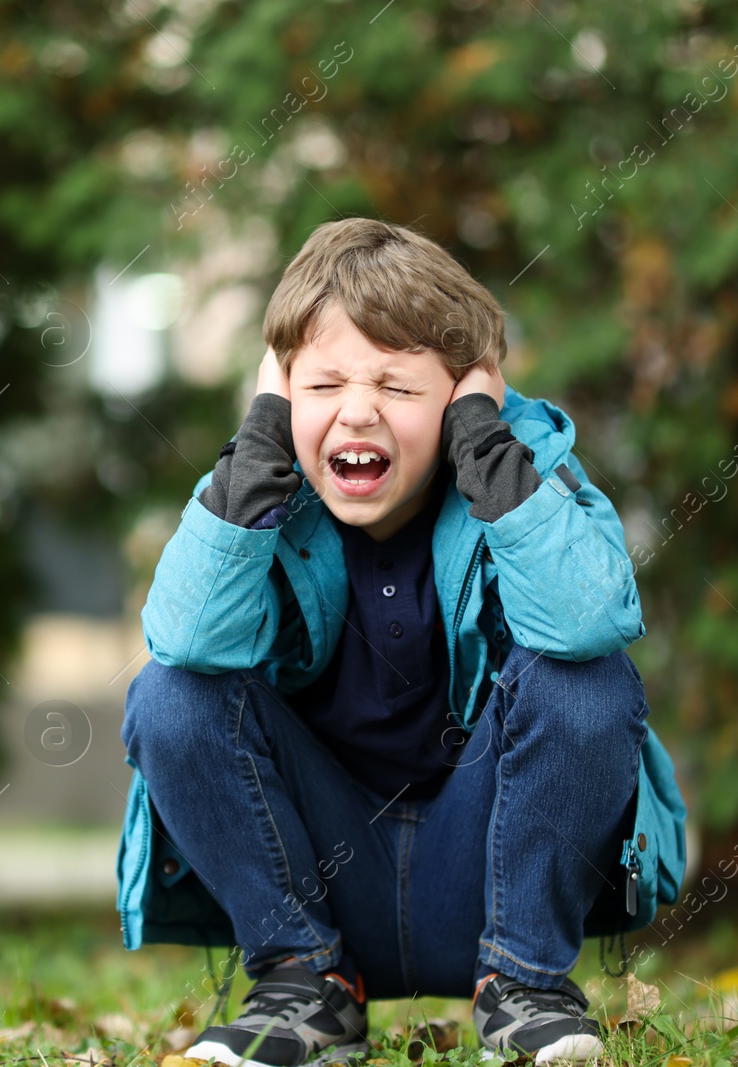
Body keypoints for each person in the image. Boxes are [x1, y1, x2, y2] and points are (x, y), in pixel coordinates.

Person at [114, 218, 686, 1065]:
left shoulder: (520, 466)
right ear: (279, 394)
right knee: (171, 691)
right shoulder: (259, 480)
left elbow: (589, 621)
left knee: (586, 679)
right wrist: (266, 434)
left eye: (398, 386)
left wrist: (488, 448)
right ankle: (305, 990)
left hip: (490, 880)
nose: (356, 410)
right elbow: (187, 636)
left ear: (462, 398)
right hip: (322, 884)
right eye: (324, 384)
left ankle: (526, 989)